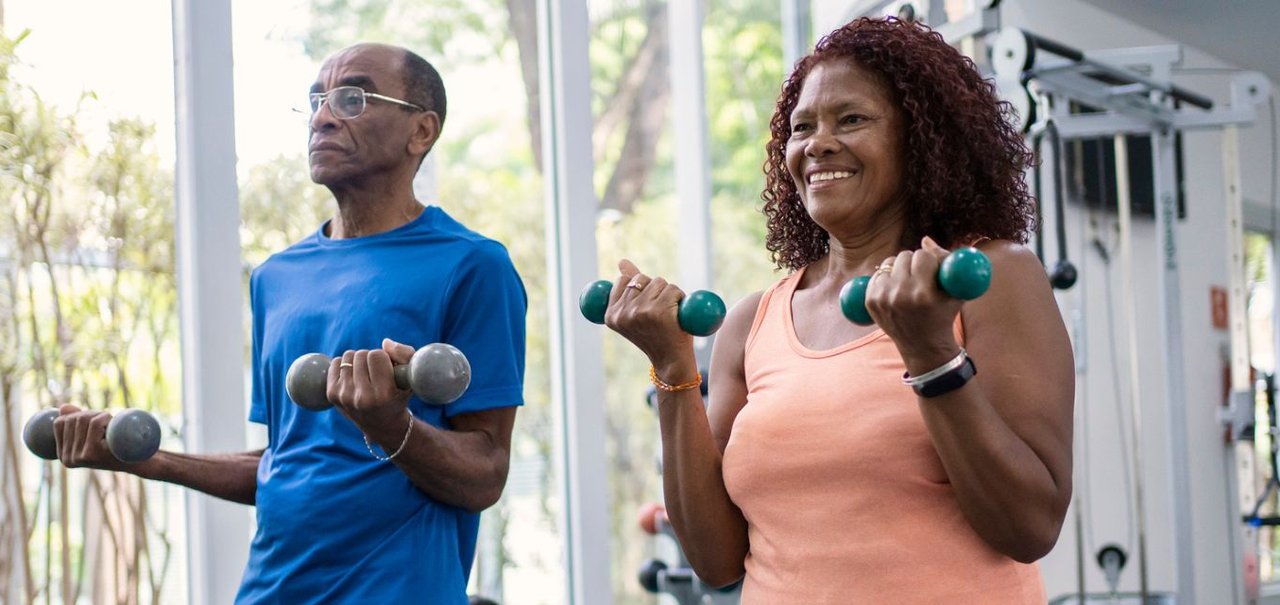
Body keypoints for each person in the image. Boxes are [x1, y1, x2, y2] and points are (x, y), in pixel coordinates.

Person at [604, 18, 1073, 603]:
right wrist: (673, 368)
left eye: (851, 120)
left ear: (922, 139)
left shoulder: (988, 278)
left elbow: (1030, 526)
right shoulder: (754, 322)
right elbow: (715, 559)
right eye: (803, 127)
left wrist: (931, 356)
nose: (817, 144)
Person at [49, 43, 526, 604]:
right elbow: (290, 464)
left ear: (420, 132)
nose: (323, 116)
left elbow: (484, 475)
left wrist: (388, 425)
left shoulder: (471, 265)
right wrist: (144, 458)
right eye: (316, 100)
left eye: (352, 98)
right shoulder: (276, 277)